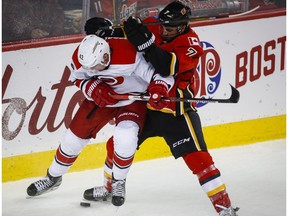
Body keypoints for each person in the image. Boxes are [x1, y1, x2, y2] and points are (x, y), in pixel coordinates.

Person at [83, 1, 239, 216]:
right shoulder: (156, 25)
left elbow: (165, 67)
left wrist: (146, 45)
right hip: (146, 107)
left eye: (170, 28)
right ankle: (110, 188)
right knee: (116, 145)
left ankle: (224, 207)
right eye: (163, 26)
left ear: (183, 26)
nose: (164, 31)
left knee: (199, 160)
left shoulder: (191, 44)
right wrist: (107, 30)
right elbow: (126, 33)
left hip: (175, 112)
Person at [26, 20, 173, 207]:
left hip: (132, 101)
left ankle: (119, 182)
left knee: (125, 138)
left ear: (105, 57)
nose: (92, 71)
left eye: (96, 67)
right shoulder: (83, 57)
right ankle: (53, 177)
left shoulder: (129, 53)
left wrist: (158, 89)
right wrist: (92, 86)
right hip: (102, 100)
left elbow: (160, 75)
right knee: (72, 138)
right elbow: (77, 78)